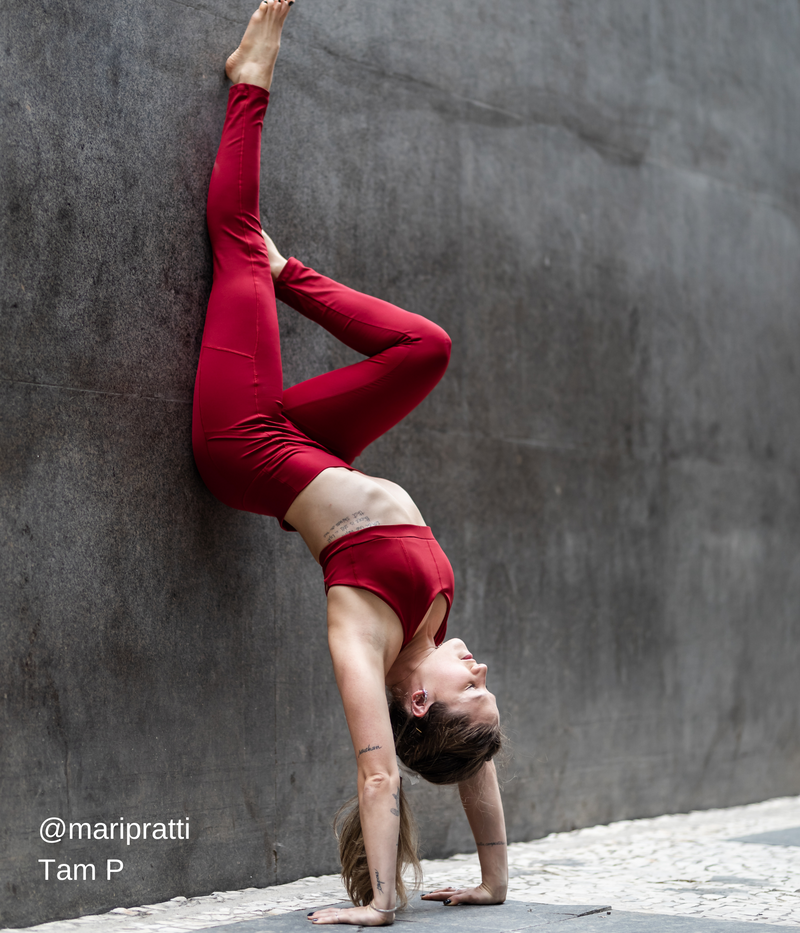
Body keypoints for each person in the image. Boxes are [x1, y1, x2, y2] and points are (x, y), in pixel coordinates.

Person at [191, 1, 508, 925]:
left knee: (236, 245)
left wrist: (380, 906)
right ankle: (294, 273)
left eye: (472, 689)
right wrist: (493, 879)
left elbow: (379, 771)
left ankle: (249, 81)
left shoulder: (365, 644)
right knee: (426, 350)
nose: (482, 668)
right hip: (318, 447)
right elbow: (476, 766)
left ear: (416, 699)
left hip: (247, 443)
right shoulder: (433, 637)